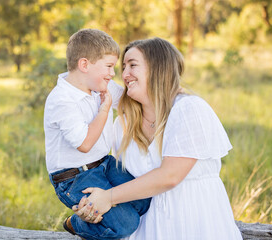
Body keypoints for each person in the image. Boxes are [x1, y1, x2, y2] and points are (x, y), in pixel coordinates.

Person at [74, 37, 243, 240]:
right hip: (147, 230)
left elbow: (170, 176)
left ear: (158, 68)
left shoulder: (189, 109)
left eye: (133, 65)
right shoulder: (123, 124)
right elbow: (117, 178)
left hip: (195, 224)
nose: (125, 74)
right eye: (123, 67)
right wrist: (91, 204)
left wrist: (109, 198)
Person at [43, 29, 151, 240]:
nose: (113, 73)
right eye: (109, 66)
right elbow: (84, 143)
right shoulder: (62, 100)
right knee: (126, 224)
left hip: (104, 163)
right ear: (84, 65)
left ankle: (106, 212)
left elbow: (131, 100)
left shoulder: (101, 84)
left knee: (143, 199)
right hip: (74, 177)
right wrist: (104, 109)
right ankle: (76, 224)